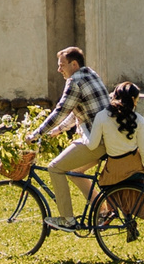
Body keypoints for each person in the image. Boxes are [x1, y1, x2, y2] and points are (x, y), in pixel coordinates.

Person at [36, 45, 110, 230]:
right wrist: (59, 129)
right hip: (106, 139)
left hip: (95, 142)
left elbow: (61, 110)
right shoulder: (90, 74)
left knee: (54, 168)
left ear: (74, 64)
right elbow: (76, 108)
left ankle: (67, 219)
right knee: (75, 172)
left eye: (62, 65)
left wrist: (36, 134)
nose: (59, 69)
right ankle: (103, 211)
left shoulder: (74, 81)